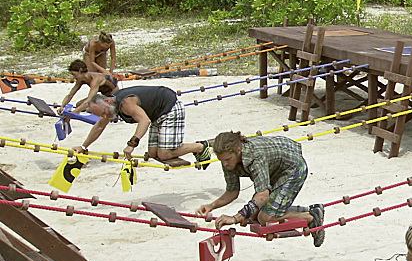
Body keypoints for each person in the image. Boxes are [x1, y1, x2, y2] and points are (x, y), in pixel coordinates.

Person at [195, 132, 325, 247]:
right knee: (254, 215)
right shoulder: (228, 160)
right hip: (274, 169)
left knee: (266, 218)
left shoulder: (255, 157)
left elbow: (263, 196)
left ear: (238, 150)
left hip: (293, 168)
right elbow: (232, 192)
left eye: (228, 159)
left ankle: (312, 217)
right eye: (221, 160)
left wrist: (235, 218)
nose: (225, 164)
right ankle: (309, 209)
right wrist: (211, 206)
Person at [71, 85, 212, 167]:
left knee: (165, 154)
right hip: (156, 113)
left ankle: (200, 147)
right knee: (153, 154)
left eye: (104, 113)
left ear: (107, 101)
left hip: (170, 108)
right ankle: (196, 147)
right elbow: (99, 126)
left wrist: (131, 144)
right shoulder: (110, 107)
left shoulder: (125, 103)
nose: (105, 117)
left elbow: (144, 121)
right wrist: (83, 147)